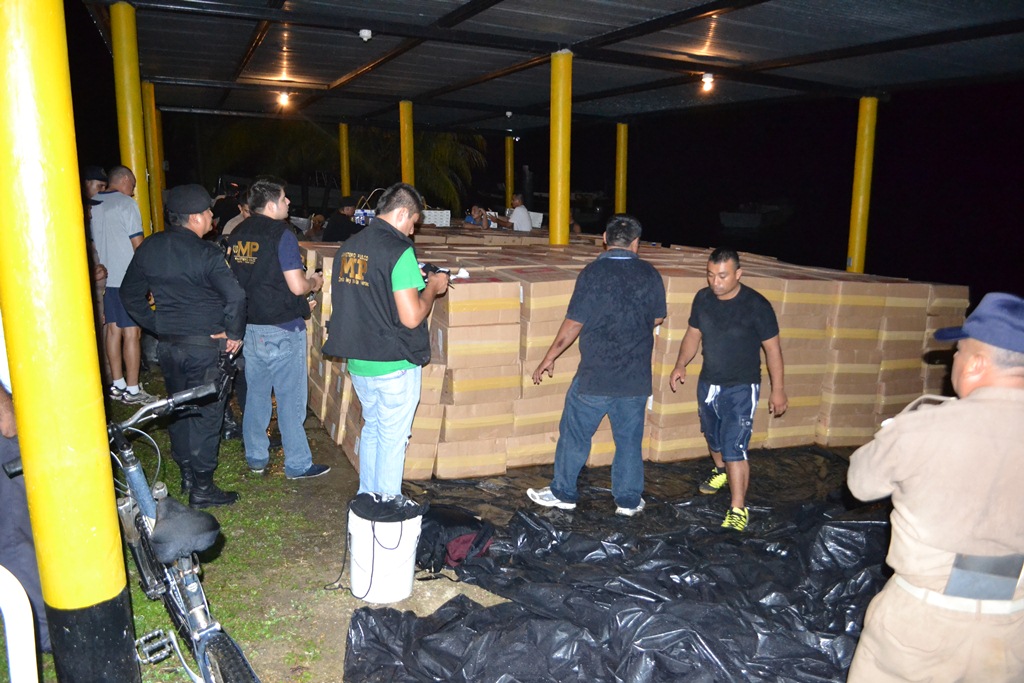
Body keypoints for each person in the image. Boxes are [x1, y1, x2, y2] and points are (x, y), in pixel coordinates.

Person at [846, 292, 1024, 682]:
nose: (953, 363)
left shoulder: (924, 427)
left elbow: (860, 484)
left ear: (976, 363)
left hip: (920, 630)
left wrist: (891, 436)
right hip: (1011, 633)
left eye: (958, 352)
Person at [526, 215, 666, 516]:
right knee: (629, 442)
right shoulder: (650, 275)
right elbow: (657, 318)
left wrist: (549, 357)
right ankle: (628, 502)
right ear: (636, 243)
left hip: (595, 377)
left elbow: (574, 323)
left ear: (605, 237)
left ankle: (563, 492)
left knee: (575, 434)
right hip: (635, 378)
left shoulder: (592, 273)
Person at [120, 184, 246, 508]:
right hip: (206, 348)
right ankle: (202, 485)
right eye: (207, 213)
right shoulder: (208, 254)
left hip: (170, 347)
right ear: (193, 218)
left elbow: (130, 294)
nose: (211, 217)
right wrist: (234, 333)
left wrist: (156, 325)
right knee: (207, 414)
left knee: (178, 409)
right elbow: (235, 296)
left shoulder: (150, 248)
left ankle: (187, 472)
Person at [323, 182, 449, 496]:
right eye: (413, 223)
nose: (411, 231)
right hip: (394, 362)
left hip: (360, 361)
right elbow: (411, 317)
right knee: (394, 439)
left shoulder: (349, 246)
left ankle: (368, 498)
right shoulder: (398, 251)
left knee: (374, 430)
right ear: (402, 212)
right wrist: (433, 287)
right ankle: (388, 507)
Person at [668, 247, 787, 532]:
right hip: (709, 383)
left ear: (738, 274)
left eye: (722, 276)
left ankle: (737, 508)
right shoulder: (703, 299)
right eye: (710, 275)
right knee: (713, 437)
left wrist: (778, 389)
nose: (715, 282)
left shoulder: (757, 306)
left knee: (734, 446)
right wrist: (680, 364)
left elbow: (773, 350)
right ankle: (720, 471)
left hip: (742, 387)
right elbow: (692, 335)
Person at [226, 178, 330, 480]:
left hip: (250, 326)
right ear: (271, 205)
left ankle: (256, 457)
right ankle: (297, 464)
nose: (288, 204)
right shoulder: (281, 234)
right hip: (282, 328)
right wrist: (315, 282)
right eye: (285, 199)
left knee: (257, 394)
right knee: (290, 399)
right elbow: (296, 285)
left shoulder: (238, 233)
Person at [0, 306, 51, 653]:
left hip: (23, 400)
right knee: (14, 529)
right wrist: (7, 409)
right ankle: (41, 629)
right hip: (9, 417)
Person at [91, 165, 155, 403]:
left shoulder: (93, 203)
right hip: (128, 279)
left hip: (106, 280)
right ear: (125, 180)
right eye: (133, 185)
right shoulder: (126, 204)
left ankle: (116, 384)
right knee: (132, 333)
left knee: (113, 330)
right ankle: (133, 388)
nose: (133, 190)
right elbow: (138, 245)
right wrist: (149, 277)